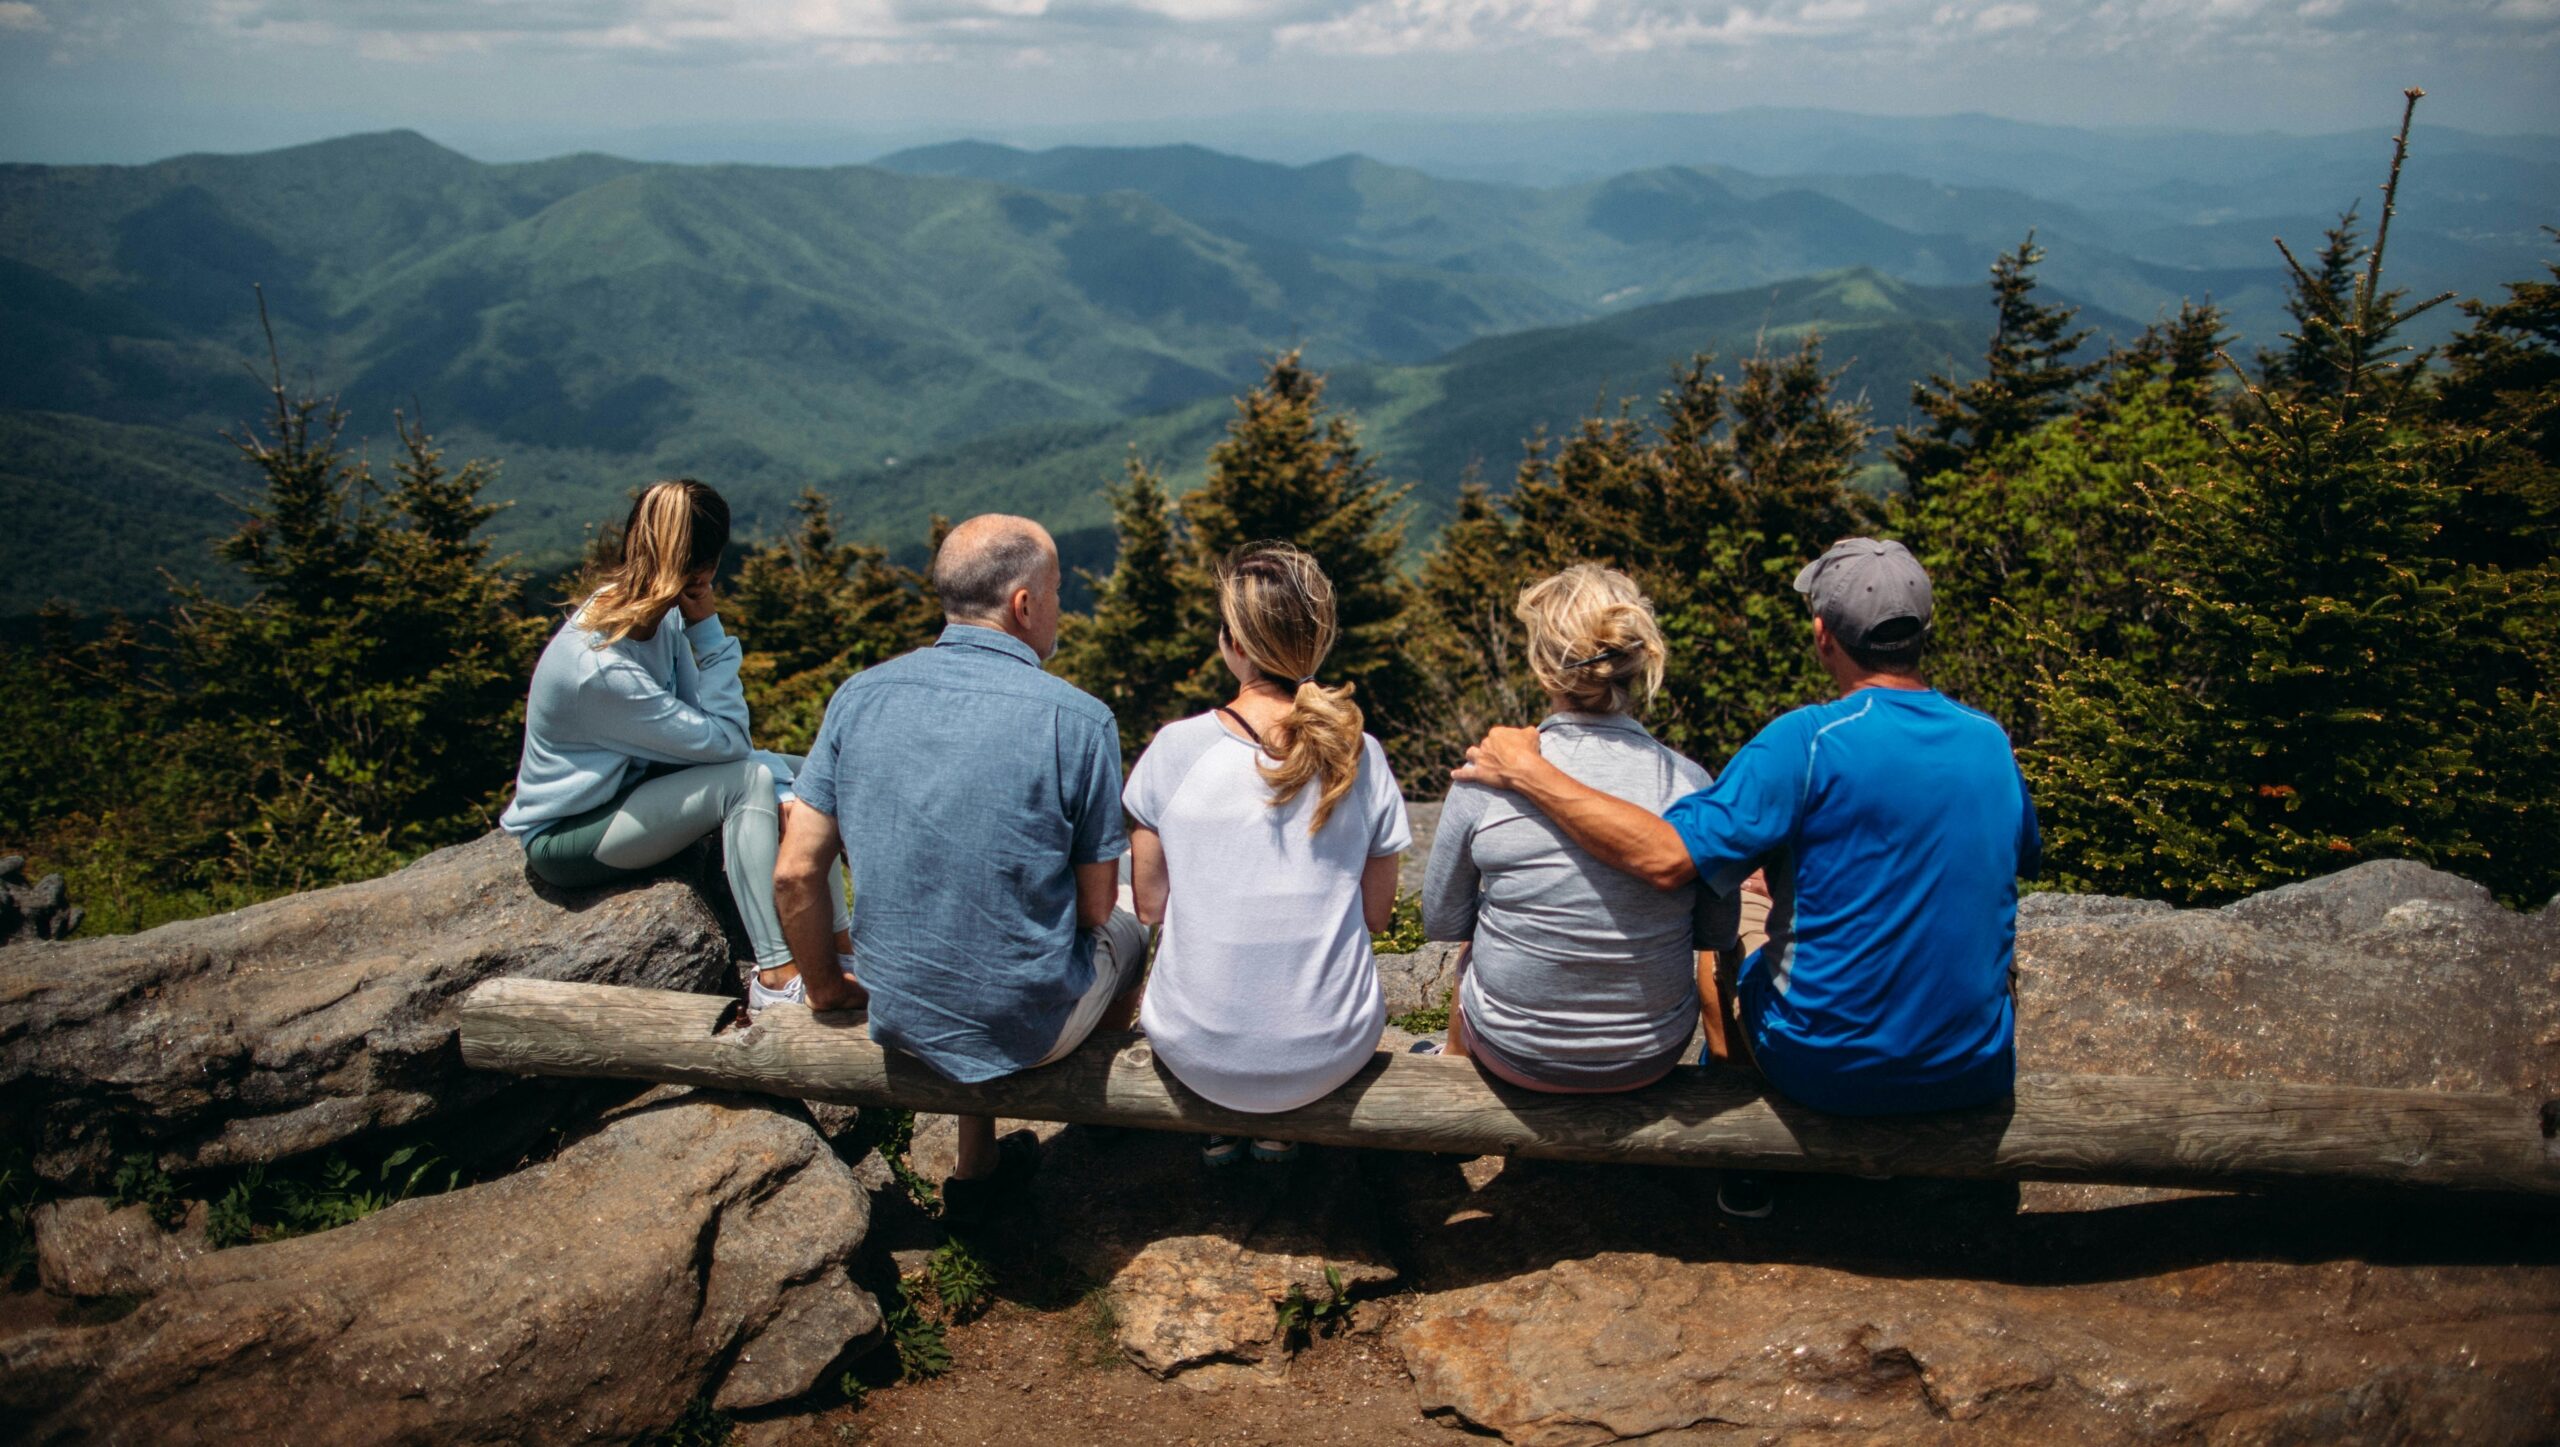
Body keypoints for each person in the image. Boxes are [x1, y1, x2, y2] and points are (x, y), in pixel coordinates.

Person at [1453, 538, 2039, 1217]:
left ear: (1824, 636)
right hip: (1970, 1067)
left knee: (1733, 916)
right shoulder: (1989, 740)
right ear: (1922, 631)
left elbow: (1669, 857)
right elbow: (2012, 856)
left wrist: (1530, 771)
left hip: (1823, 1066)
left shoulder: (1806, 740)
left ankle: (1745, 1156)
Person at [772, 514, 1146, 1217]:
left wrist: (824, 985)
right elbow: (1097, 910)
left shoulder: (860, 695)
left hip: (900, 1009)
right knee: (1132, 932)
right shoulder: (1080, 718)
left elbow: (795, 871)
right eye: (1058, 591)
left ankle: (978, 1159)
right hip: (1029, 1029)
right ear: (1024, 604)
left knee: (961, 907)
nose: (1060, 607)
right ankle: (1099, 1114)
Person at [500, 479, 853, 1016]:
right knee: (749, 783)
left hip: (630, 792)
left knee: (809, 777)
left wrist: (791, 790)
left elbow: (715, 736)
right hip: (569, 835)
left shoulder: (654, 617)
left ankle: (839, 947)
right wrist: (709, 631)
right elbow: (730, 744)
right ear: (704, 570)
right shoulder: (601, 668)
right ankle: (777, 976)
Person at [1123, 542, 1409, 1166]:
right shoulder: (1362, 754)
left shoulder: (1175, 749)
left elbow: (1150, 906)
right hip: (1331, 1050)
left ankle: (1222, 1126)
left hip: (1198, 1051)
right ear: (1317, 643)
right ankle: (1284, 1131)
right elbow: (1378, 914)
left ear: (1235, 644)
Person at [1421, 565, 1736, 1093]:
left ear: (1544, 672)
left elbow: (1443, 918)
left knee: (1476, 938)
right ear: (1634, 664)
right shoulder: (1691, 782)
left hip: (1514, 1053)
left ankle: (1452, 1063)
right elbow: (1714, 932)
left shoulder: (1486, 776)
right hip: (1651, 1053)